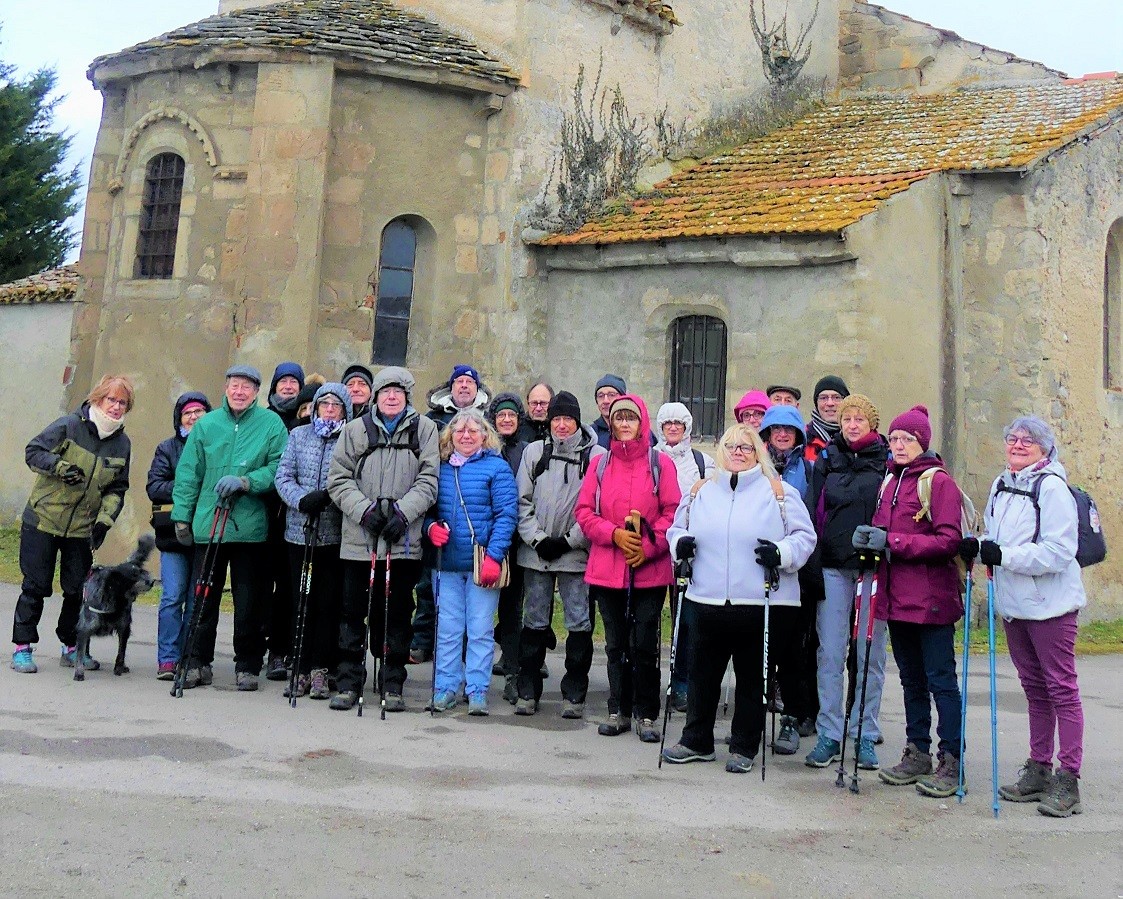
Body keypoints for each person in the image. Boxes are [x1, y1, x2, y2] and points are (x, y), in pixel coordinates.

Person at [662, 423, 816, 773]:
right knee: (702, 675)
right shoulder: (701, 490)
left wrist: (781, 552)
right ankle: (696, 740)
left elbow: (805, 538)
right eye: (731, 446)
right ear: (721, 450)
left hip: (765, 602)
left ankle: (744, 746)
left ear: (757, 453)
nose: (737, 453)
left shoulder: (779, 492)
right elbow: (676, 529)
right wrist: (679, 545)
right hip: (707, 597)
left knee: (753, 678)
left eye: (746, 448)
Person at [969, 415, 1087, 817]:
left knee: (1061, 689)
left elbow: (1059, 552)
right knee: (1035, 689)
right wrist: (980, 546)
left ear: (1045, 449)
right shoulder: (1002, 484)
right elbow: (995, 536)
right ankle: (1039, 768)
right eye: (1012, 438)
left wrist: (1005, 556)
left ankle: (1068, 779)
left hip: (1050, 605)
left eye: (1028, 441)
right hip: (1015, 605)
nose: (1018, 445)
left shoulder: (1052, 488)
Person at [861, 405, 965, 797]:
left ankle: (951, 761)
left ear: (922, 442)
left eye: (907, 439)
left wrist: (895, 542)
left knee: (941, 682)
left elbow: (948, 539)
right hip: (896, 596)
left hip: (932, 599)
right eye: (895, 438)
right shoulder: (891, 480)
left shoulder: (937, 482)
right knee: (911, 681)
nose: (899, 444)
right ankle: (917, 751)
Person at [326, 366, 439, 711]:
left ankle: (393, 683)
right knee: (352, 612)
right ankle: (348, 682)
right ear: (376, 396)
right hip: (360, 540)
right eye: (386, 392)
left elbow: (430, 480)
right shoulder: (355, 430)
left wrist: (404, 514)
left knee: (397, 614)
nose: (392, 397)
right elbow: (338, 479)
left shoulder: (425, 430)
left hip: (402, 543)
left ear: (407, 396)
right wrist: (365, 512)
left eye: (399, 392)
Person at [171, 364, 289, 691]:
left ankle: (248, 664)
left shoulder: (271, 424)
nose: (239, 392)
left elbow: (279, 467)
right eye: (234, 386)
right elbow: (188, 474)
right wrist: (182, 515)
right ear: (226, 388)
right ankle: (196, 661)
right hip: (210, 526)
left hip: (249, 529)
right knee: (203, 597)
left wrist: (247, 481)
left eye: (246, 387)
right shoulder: (207, 425)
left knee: (249, 601)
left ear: (256, 392)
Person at [11, 375, 134, 674]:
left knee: (77, 591)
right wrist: (59, 467)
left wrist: (104, 522)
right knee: (36, 586)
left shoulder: (122, 444)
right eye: (112, 400)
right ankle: (22, 648)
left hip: (81, 529)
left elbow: (117, 488)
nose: (116, 407)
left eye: (123, 403)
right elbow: (33, 452)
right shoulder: (69, 425)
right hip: (43, 519)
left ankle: (71, 645)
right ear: (98, 399)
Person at [575, 395, 680, 742]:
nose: (624, 424)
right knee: (616, 644)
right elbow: (585, 512)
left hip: (649, 571)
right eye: (618, 418)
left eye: (630, 419)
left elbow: (672, 512)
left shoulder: (661, 464)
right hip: (608, 567)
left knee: (645, 644)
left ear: (641, 423)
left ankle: (647, 712)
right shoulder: (600, 465)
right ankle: (617, 708)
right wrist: (615, 535)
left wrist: (647, 547)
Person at [805, 394, 889, 770]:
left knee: (868, 655)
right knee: (831, 652)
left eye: (859, 418)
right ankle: (830, 733)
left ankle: (864, 733)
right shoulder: (827, 459)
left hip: (873, 569)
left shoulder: (887, 462)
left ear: (872, 424)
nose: (852, 424)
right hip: (834, 565)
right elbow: (813, 509)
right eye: (847, 418)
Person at [515, 391, 606, 717]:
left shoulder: (597, 456)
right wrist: (538, 539)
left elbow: (597, 505)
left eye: (568, 418)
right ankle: (527, 690)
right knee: (534, 620)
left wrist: (569, 541)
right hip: (536, 553)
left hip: (576, 554)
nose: (562, 425)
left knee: (579, 621)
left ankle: (574, 695)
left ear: (578, 420)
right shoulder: (534, 452)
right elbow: (521, 501)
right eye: (557, 419)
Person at [426, 410, 518, 716]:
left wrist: (494, 555)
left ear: (484, 435)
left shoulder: (497, 468)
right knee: (448, 629)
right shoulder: (439, 469)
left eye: (473, 431)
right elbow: (427, 506)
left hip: (482, 563)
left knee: (480, 629)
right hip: (446, 563)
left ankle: (477, 688)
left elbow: (506, 515)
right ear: (449, 436)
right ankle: (445, 686)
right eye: (459, 431)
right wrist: (430, 528)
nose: (466, 436)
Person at [274, 383, 353, 699]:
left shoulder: (349, 440)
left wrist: (329, 498)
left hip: (333, 535)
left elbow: (351, 479)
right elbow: (283, 477)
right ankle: (300, 667)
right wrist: (301, 499)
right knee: (300, 601)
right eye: (324, 403)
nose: (330, 409)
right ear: (316, 407)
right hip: (299, 532)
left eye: (336, 404)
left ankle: (321, 669)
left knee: (326, 604)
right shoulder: (298, 436)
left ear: (344, 410)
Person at [410, 364, 492, 663]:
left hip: (472, 511)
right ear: (451, 387)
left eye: (470, 382)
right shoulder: (432, 420)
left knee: (471, 592)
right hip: (439, 501)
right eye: (458, 381)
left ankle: (466, 647)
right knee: (428, 585)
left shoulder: (488, 418)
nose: (464, 386)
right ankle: (422, 639)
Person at [758, 403, 818, 752]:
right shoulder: (752, 466)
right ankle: (755, 714)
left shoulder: (810, 470)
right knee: (757, 650)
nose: (782, 435)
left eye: (789, 430)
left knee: (795, 649)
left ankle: (794, 718)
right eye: (776, 429)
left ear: (798, 435)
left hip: (797, 570)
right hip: (757, 569)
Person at [146, 391, 211, 680]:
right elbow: (155, 486)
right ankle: (168, 659)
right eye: (188, 413)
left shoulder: (217, 445)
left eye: (200, 412)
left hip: (205, 532)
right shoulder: (167, 448)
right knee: (172, 596)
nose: (194, 417)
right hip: (172, 534)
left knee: (197, 598)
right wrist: (189, 485)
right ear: (179, 418)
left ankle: (190, 656)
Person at [655, 401, 715, 711]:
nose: (673, 428)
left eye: (679, 423)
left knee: (686, 620)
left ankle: (683, 682)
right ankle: (652, 682)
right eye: (668, 424)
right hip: (654, 548)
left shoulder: (703, 463)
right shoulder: (651, 459)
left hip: (689, 551)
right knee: (653, 619)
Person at [488, 392, 530, 698]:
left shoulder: (527, 452)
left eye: (511, 416)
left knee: (512, 609)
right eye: (501, 415)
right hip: (482, 541)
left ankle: (512, 672)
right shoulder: (484, 446)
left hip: (515, 542)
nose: (505, 420)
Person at [805, 375, 849, 462]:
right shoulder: (802, 438)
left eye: (836, 397)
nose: (830, 403)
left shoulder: (857, 437)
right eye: (823, 398)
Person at [590, 374, 626, 450]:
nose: (605, 401)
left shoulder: (636, 431)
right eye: (601, 396)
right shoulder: (590, 434)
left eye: (611, 395)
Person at [267, 362, 306, 431]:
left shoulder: (307, 415)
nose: (288, 387)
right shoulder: (266, 417)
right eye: (283, 381)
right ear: (275, 387)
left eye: (293, 382)